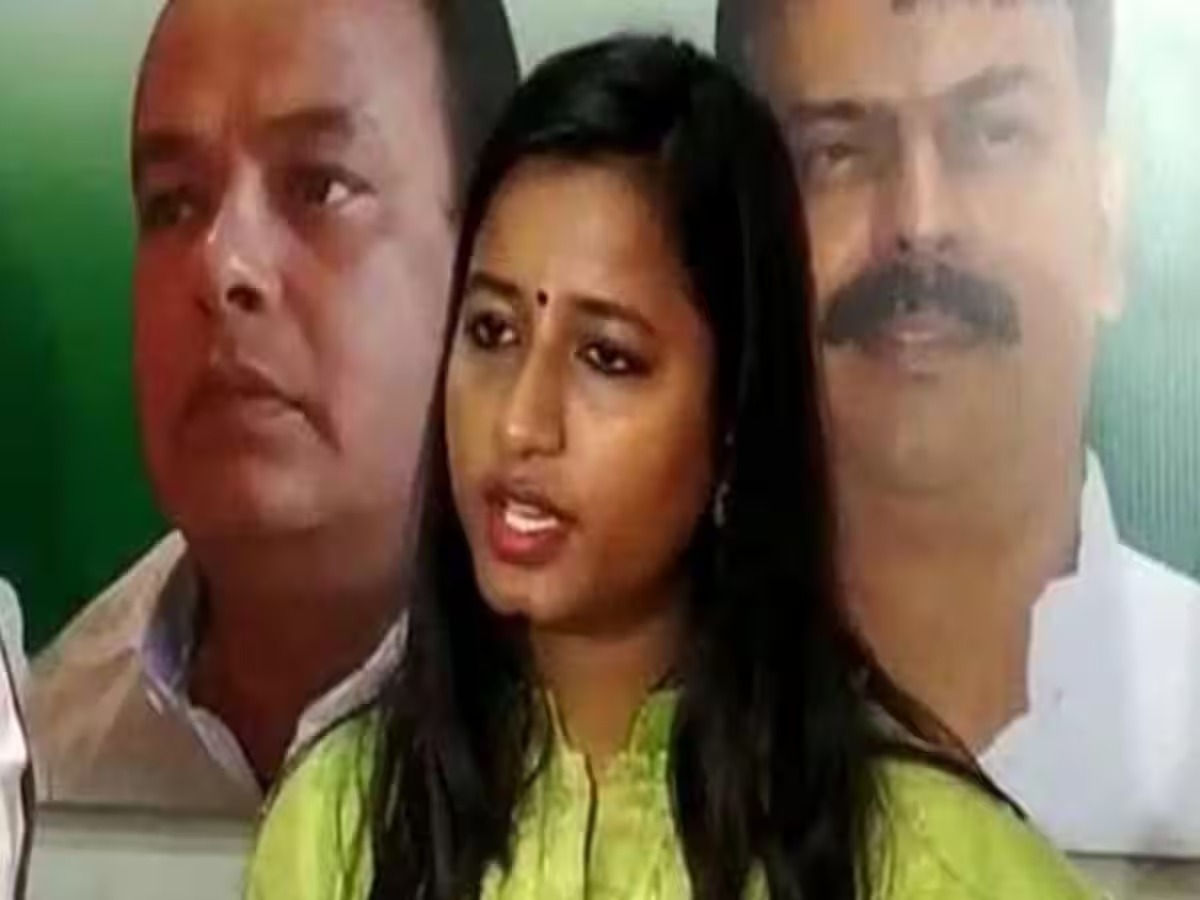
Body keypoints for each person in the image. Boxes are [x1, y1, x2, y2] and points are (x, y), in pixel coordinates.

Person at [245, 36, 1098, 900]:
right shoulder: (337, 828)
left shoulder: (939, 864)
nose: (520, 421)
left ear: (733, 419)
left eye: (608, 357)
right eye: (493, 332)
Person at [715, 0, 1200, 856]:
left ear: (1107, 224)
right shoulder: (601, 742)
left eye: (994, 135)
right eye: (836, 153)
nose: (920, 221)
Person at [27, 0, 519, 814]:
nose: (222, 263)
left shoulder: (656, 749)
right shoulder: (48, 765)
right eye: (174, 204)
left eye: (318, 186)